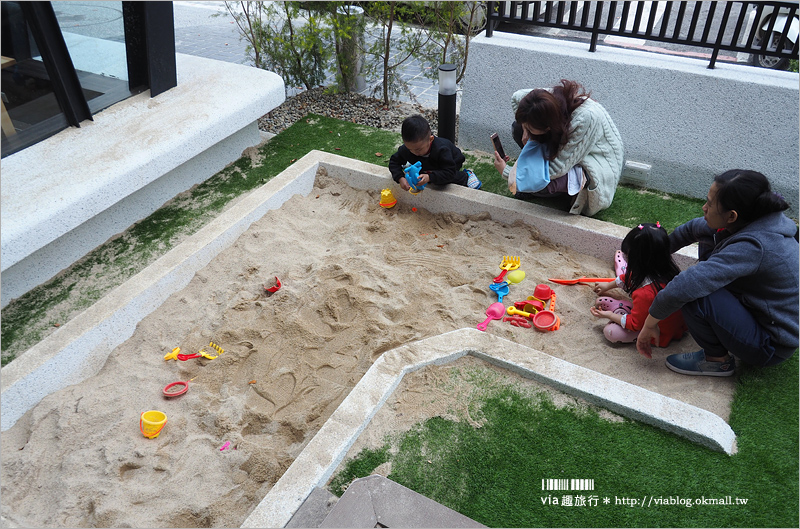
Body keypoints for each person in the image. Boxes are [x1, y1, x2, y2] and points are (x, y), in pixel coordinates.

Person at [636, 170, 799, 376]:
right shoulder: (751, 220)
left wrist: (649, 323)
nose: (704, 208)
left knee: (697, 295)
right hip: (758, 311)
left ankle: (716, 361)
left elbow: (687, 285)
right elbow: (691, 229)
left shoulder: (755, 246)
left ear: (732, 216)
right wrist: (654, 259)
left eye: (710, 204)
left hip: (771, 344)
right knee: (708, 245)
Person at [492, 80, 624, 216]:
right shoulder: (544, 99)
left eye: (531, 128)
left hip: (593, 160)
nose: (528, 132)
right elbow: (516, 97)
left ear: (548, 128)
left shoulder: (585, 119)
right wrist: (526, 128)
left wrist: (508, 173)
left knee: (545, 182)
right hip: (564, 138)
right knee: (518, 128)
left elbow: (557, 169)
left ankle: (567, 190)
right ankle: (540, 186)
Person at [591, 223, 687, 347]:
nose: (627, 259)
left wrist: (609, 315)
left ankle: (621, 309)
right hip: (655, 316)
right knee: (611, 301)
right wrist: (608, 286)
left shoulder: (646, 294)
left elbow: (635, 324)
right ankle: (623, 307)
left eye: (628, 257)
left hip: (658, 332)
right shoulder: (665, 271)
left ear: (640, 260)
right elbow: (631, 277)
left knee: (611, 332)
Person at [389, 115, 482, 191]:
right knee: (421, 173)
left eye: (418, 149)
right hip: (427, 162)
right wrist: (400, 178)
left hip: (451, 162)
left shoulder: (442, 149)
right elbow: (393, 162)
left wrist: (430, 177)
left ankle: (466, 175)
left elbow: (449, 172)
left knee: (441, 180)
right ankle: (421, 168)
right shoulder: (408, 149)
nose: (414, 153)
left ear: (430, 139)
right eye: (410, 149)